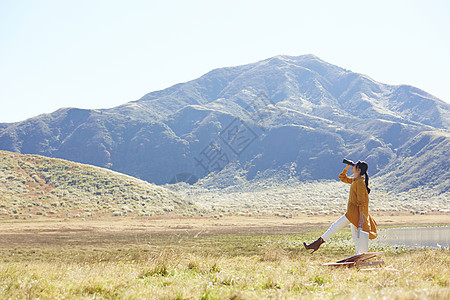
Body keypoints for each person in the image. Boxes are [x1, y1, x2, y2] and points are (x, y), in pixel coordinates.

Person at [303, 160, 377, 254]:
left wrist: (361, 218)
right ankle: (360, 257)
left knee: (335, 227)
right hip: (353, 213)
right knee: (355, 237)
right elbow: (342, 177)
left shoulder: (359, 183)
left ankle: (316, 244)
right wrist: (346, 168)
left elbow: (361, 202)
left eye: (354, 166)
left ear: (358, 170)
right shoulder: (355, 180)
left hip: (354, 214)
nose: (352, 167)